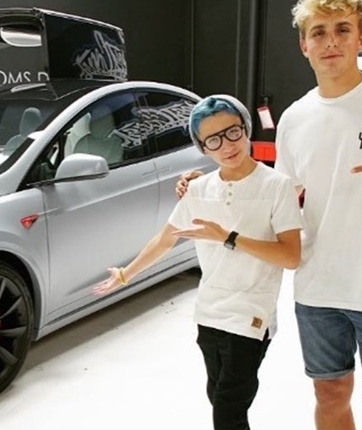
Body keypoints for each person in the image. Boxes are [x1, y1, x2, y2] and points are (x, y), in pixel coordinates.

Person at [177, 0, 362, 429]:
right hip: (318, 289)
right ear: (304, 45)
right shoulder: (296, 118)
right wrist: (201, 185)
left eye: (342, 30)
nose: (330, 41)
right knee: (330, 394)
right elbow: (273, 193)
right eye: (318, 32)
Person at [95, 94, 303, 429]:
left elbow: (290, 256)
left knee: (228, 408)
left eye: (232, 132)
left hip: (251, 315)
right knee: (219, 397)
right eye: (213, 140)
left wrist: (228, 237)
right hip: (209, 312)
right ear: (203, 148)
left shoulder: (277, 186)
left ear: (246, 129)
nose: (227, 145)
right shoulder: (199, 188)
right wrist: (125, 274)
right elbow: (166, 238)